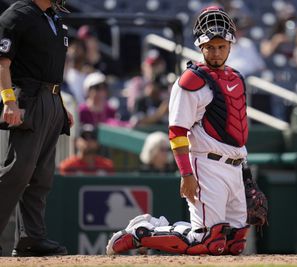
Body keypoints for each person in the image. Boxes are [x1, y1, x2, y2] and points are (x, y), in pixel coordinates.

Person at [106, 6, 256, 256]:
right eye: (210, 47)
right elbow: (176, 131)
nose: (216, 52)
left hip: (234, 166)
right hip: (207, 165)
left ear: (230, 44)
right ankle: (143, 232)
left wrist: (245, 171)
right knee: (207, 242)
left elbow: (238, 130)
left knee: (234, 242)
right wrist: (186, 174)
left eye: (221, 46)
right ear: (200, 46)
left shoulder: (236, 77)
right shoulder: (191, 80)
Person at [0, 0, 73, 257]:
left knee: (41, 176)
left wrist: (61, 107)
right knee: (17, 171)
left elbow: (51, 68)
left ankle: (31, 239)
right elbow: (2, 63)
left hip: (52, 98)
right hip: (27, 98)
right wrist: (9, 101)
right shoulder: (18, 14)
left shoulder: (53, 17)